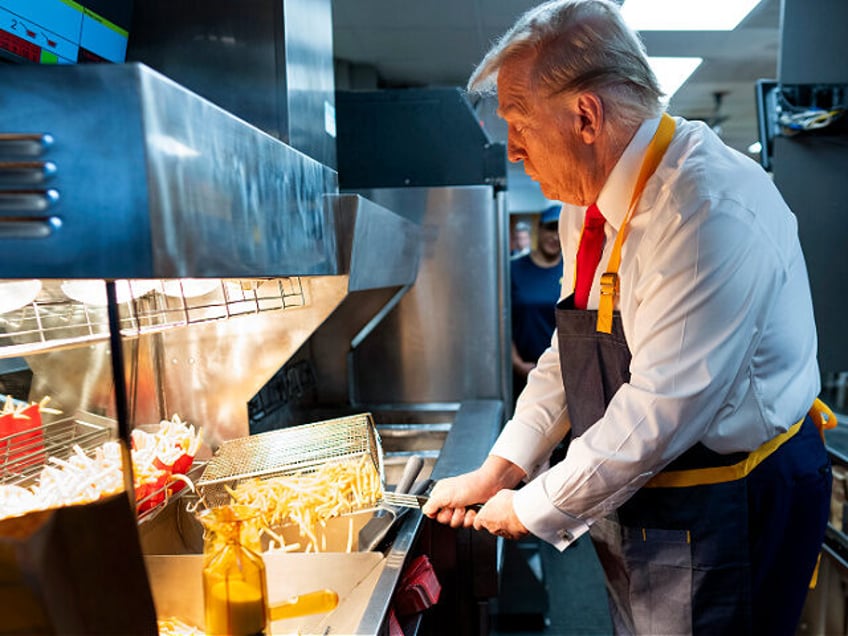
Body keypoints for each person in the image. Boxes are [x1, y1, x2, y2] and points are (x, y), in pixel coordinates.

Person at [422, 2, 834, 634]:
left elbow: (662, 409)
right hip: (645, 485)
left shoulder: (705, 211)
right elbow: (570, 354)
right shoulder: (586, 201)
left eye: (519, 124)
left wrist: (533, 506)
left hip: (728, 497)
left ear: (585, 116)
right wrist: (500, 470)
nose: (512, 153)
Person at [510, 204, 562, 404]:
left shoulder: (572, 271)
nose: (555, 236)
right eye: (550, 228)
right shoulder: (514, 269)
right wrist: (516, 363)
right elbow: (502, 321)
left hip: (562, 372)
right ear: (538, 230)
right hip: (523, 371)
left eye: (560, 230)